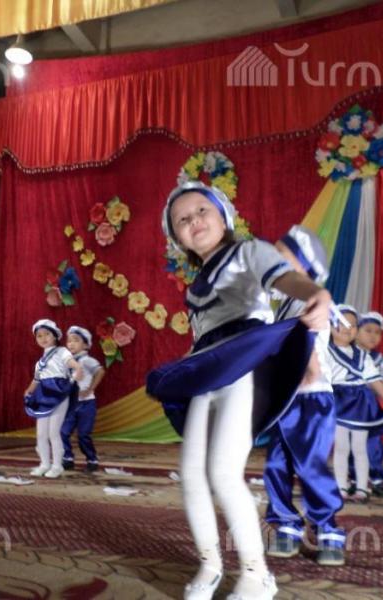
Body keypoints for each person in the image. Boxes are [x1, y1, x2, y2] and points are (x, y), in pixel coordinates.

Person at [147, 181, 329, 600]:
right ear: (177, 238)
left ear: (223, 216)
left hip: (245, 365)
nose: (194, 221)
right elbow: (202, 337)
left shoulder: (249, 251)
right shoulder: (194, 286)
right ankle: (210, 565)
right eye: (182, 220)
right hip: (208, 373)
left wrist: (314, 293)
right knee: (192, 475)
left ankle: (256, 574)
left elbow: (285, 278)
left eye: (202, 210)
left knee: (224, 472)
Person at [263, 225, 346, 566]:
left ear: (302, 267)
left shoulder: (309, 303)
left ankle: (328, 529)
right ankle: (286, 525)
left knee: (311, 465)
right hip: (286, 399)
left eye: (281, 257)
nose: (272, 261)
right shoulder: (283, 305)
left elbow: (307, 350)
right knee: (276, 464)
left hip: (310, 398)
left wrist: (306, 377)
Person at [329, 305, 383, 503]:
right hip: (339, 402)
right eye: (344, 324)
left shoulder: (366, 357)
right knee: (341, 447)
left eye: (353, 325)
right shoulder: (326, 352)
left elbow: (377, 382)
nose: (349, 329)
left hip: (362, 405)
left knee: (362, 447)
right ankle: (342, 486)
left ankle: (364, 486)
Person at [24, 319, 83, 479]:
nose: (43, 338)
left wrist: (77, 370)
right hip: (43, 395)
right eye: (39, 336)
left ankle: (57, 466)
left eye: (47, 334)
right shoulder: (39, 363)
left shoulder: (62, 352)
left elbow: (73, 364)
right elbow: (37, 379)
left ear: (55, 335)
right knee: (41, 434)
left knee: (53, 432)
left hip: (58, 392)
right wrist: (29, 390)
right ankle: (44, 464)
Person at [353, 311, 383, 498]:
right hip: (346, 405)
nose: (373, 336)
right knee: (348, 443)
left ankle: (377, 479)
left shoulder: (381, 360)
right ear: (356, 332)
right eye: (368, 330)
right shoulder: (344, 354)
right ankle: (353, 479)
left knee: (372, 443)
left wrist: (369, 388)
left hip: (368, 407)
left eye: (377, 332)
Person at [61, 326, 104, 473]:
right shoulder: (67, 361)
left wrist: (90, 389)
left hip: (86, 404)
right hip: (71, 404)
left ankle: (92, 459)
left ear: (85, 345)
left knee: (83, 435)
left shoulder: (87, 360)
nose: (71, 344)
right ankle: (67, 458)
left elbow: (100, 371)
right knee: (63, 432)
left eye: (76, 340)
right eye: (69, 341)